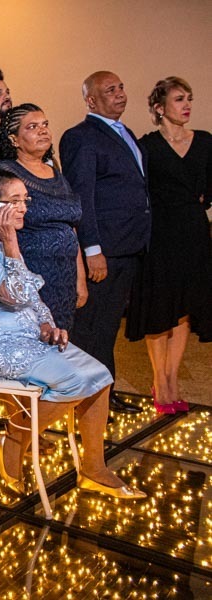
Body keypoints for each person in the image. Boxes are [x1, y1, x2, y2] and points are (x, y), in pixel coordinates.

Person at [0, 170, 147, 501]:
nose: (24, 207)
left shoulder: (4, 241)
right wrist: (11, 242)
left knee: (101, 376)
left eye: (25, 200)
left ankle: (94, 469)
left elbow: (31, 297)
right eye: (13, 201)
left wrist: (45, 324)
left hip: (24, 333)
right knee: (74, 383)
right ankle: (13, 442)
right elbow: (13, 292)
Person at [60, 71, 151, 415]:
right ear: (91, 100)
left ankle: (104, 394)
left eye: (121, 87)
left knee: (109, 326)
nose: (120, 94)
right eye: (109, 90)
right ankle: (87, 401)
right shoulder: (81, 137)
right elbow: (83, 196)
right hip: (105, 250)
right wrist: (92, 249)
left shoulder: (125, 133)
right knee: (93, 327)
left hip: (130, 246)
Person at [127, 76, 212, 412]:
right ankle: (159, 381)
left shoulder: (205, 142)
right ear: (159, 108)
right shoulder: (146, 146)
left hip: (193, 231)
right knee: (161, 307)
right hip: (159, 233)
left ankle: (173, 378)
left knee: (186, 310)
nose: (187, 105)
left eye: (189, 98)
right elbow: (137, 189)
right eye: (179, 99)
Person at [0, 103, 87, 331]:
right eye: (32, 127)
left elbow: (70, 228)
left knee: (61, 342)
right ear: (14, 140)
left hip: (64, 279)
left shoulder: (55, 173)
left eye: (45, 125)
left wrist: (80, 278)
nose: (43, 131)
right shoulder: (5, 174)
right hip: (30, 277)